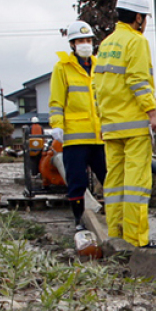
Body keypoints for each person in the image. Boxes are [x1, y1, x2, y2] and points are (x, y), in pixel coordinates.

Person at [93, 0, 156, 249]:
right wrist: (153, 115)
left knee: (114, 182)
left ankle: (117, 234)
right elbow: (138, 82)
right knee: (136, 184)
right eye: (144, 17)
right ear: (138, 17)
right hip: (134, 125)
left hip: (111, 126)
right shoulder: (136, 42)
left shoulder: (106, 44)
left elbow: (97, 86)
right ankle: (136, 239)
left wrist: (102, 119)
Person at [47, 20, 108, 231]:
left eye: (88, 40)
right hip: (74, 136)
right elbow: (56, 101)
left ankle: (115, 217)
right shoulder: (62, 68)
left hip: (100, 135)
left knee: (109, 177)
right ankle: (78, 220)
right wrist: (57, 125)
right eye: (80, 40)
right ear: (72, 44)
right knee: (77, 181)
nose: (85, 44)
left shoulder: (100, 65)